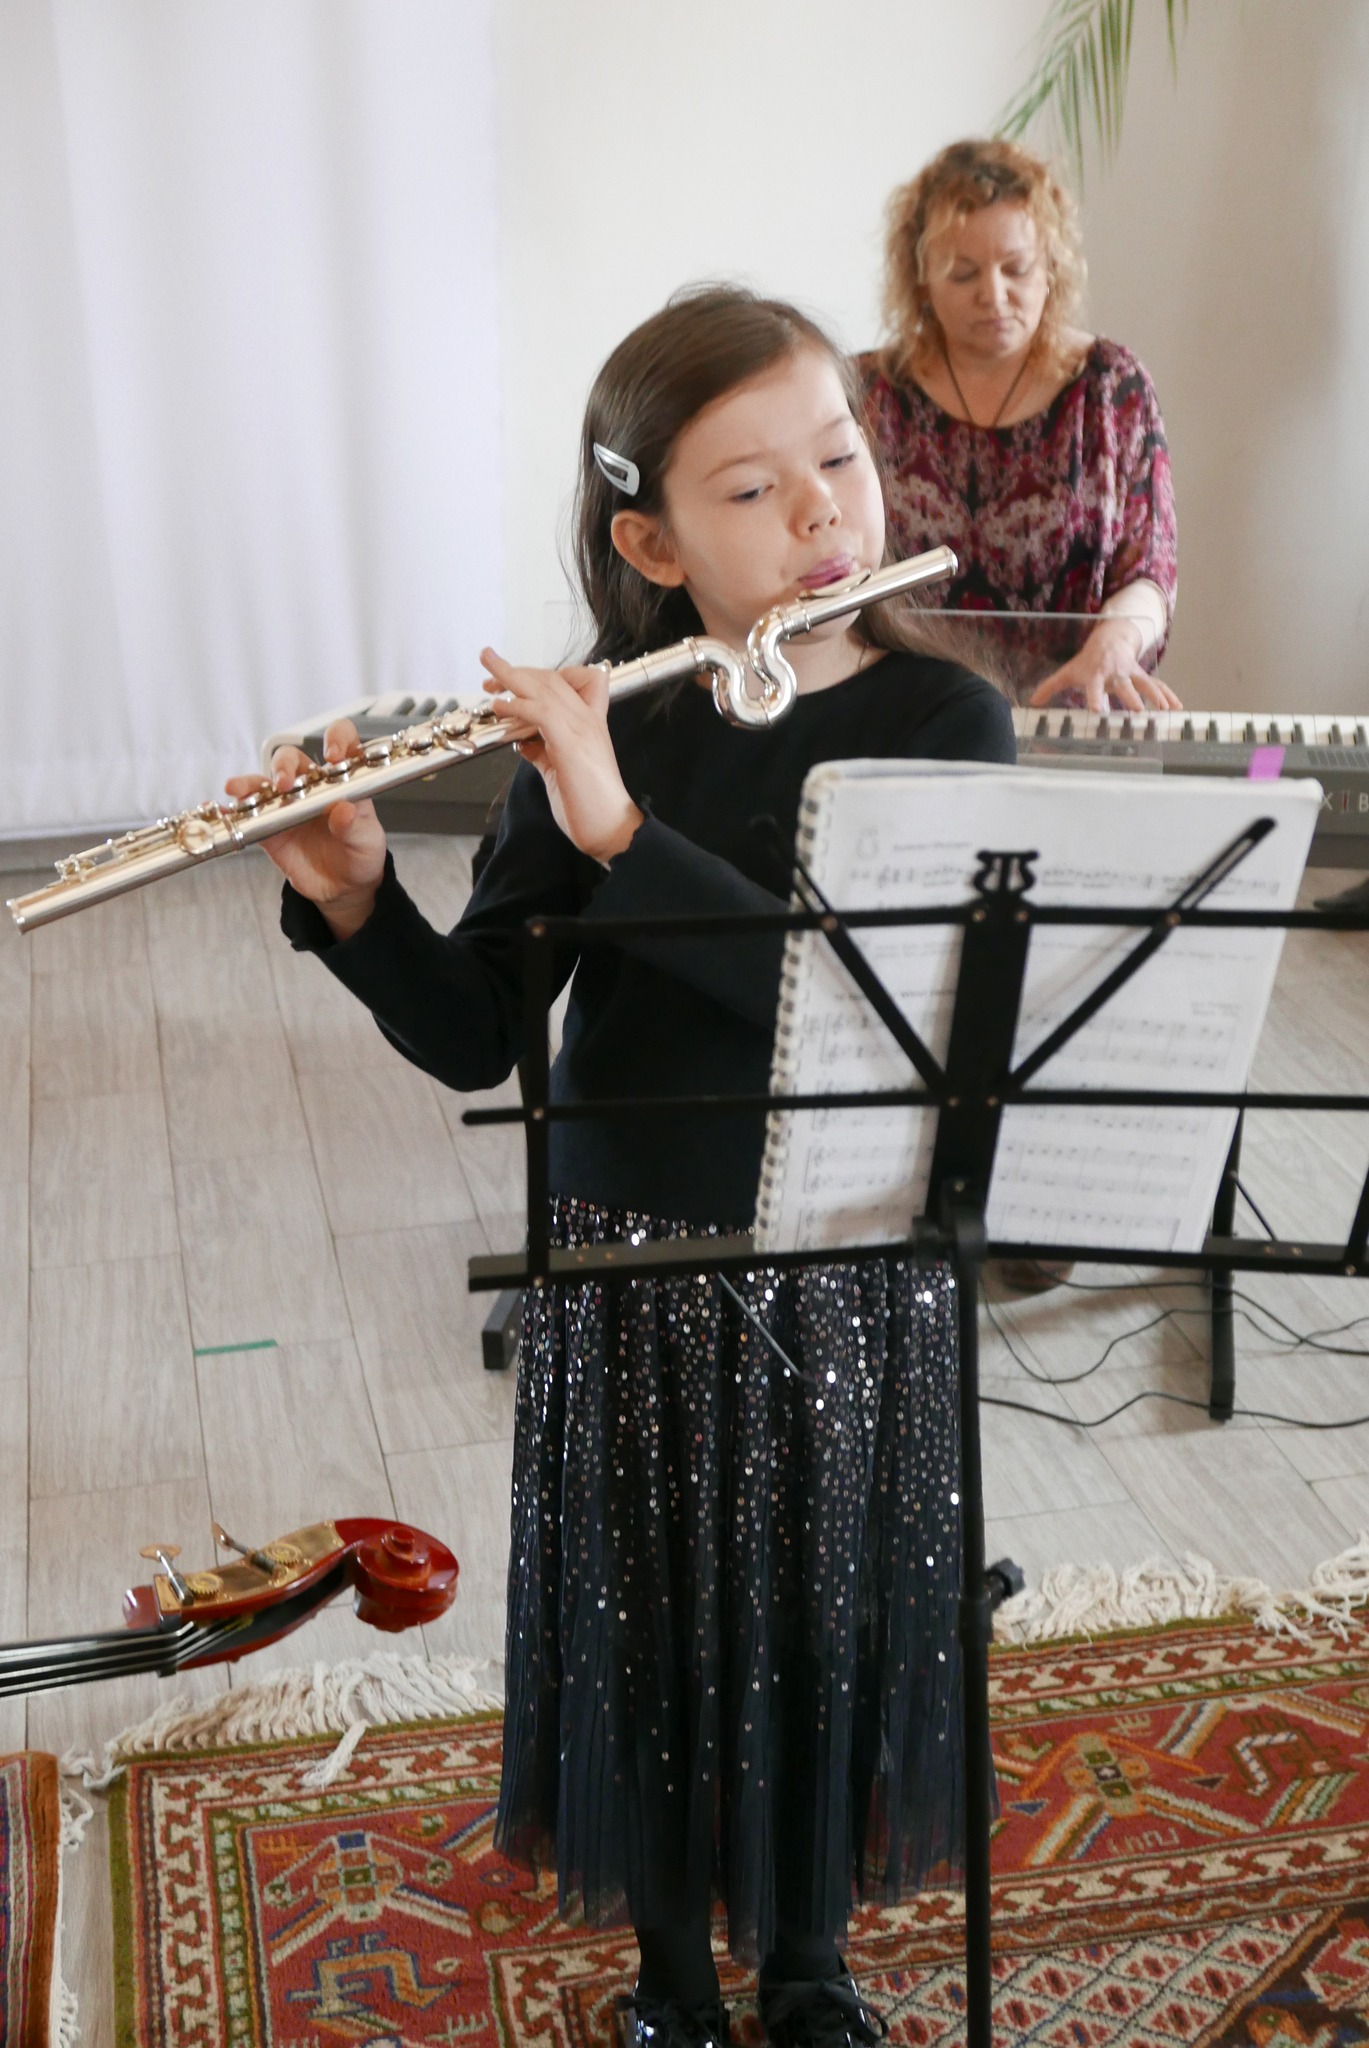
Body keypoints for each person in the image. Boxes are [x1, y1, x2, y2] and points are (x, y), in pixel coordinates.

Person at [230, 286, 1014, 2048]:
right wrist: (355, 898)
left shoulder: (942, 721)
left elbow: (866, 1004)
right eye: (751, 489)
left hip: (845, 1259)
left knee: (821, 1606)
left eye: (837, 458)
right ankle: (667, 1979)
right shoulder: (604, 729)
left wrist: (619, 831)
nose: (820, 509)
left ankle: (807, 1964)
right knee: (646, 1622)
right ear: (649, 543)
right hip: (628, 1257)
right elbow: (470, 1028)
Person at [860, 137, 1180, 714]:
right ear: (921, 278)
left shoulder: (1111, 387)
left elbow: (1151, 567)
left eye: (1016, 268)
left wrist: (1117, 639)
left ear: (1050, 269)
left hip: (1070, 712)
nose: (994, 295)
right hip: (905, 718)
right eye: (963, 273)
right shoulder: (866, 394)